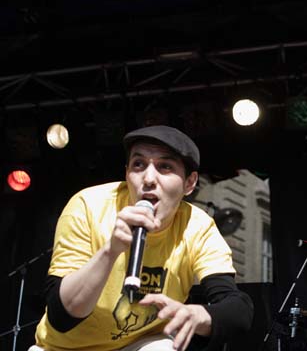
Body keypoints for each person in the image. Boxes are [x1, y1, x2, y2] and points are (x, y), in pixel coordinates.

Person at [31, 125, 253, 351]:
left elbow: (237, 309)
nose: (148, 178)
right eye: (138, 165)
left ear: (190, 183)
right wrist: (110, 251)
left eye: (165, 167)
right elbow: (61, 318)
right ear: (127, 174)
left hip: (137, 344)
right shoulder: (89, 205)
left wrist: (200, 315)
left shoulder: (197, 226)